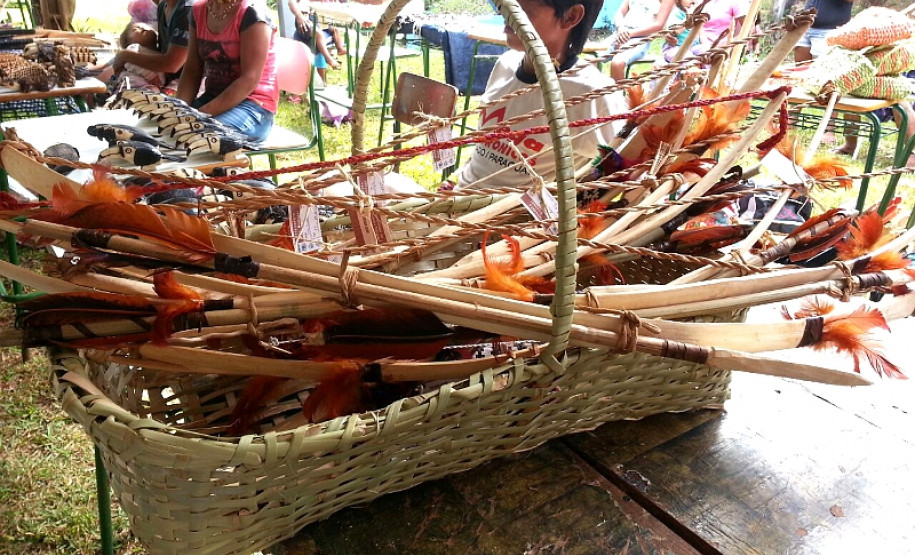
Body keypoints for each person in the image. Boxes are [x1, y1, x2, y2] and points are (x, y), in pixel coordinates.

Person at [455, 0, 626, 190]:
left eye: (521, 7)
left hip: (504, 216)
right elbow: (485, 149)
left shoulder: (591, 94)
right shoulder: (506, 64)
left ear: (571, 16)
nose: (506, 12)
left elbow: (621, 166)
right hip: (456, 201)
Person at [176, 0, 279, 142]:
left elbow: (249, 80)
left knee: (200, 137)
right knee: (164, 128)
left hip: (254, 107)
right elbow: (193, 68)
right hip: (214, 97)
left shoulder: (253, 13)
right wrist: (177, 109)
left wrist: (198, 117)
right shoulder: (198, 10)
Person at [113, 0, 192, 93]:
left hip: (185, 86)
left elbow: (172, 64)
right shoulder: (162, 7)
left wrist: (124, 55)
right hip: (164, 83)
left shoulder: (187, 10)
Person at [607, 0, 676, 81]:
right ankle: (595, 90)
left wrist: (629, 34)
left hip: (641, 39)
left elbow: (658, 25)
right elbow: (619, 13)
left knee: (617, 63)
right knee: (591, 59)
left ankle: (617, 93)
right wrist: (620, 28)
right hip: (620, 33)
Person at [288, 0, 347, 82]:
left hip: (319, 23)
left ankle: (340, 49)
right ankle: (328, 59)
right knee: (318, 34)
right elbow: (291, 2)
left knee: (334, 30)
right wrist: (299, 16)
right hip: (305, 22)